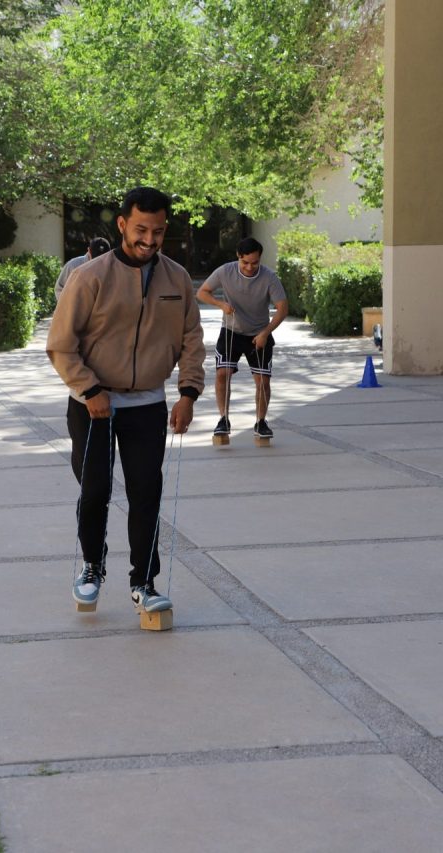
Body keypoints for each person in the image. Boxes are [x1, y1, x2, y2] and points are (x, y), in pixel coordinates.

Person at [47, 187, 205, 617]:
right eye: (140, 229)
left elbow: (191, 339)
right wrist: (90, 389)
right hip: (92, 406)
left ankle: (144, 583)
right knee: (95, 489)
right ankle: (92, 566)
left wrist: (188, 393)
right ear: (122, 224)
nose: (149, 240)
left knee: (146, 492)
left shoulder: (176, 279)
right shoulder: (89, 277)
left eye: (158, 231)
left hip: (147, 404)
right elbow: (60, 344)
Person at [195, 237, 288, 441]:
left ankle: (261, 422)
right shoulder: (225, 271)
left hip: (259, 333)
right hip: (231, 331)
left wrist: (265, 333)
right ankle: (223, 419)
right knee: (223, 374)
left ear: (260, 259)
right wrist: (221, 304)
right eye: (245, 262)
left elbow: (282, 309)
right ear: (238, 256)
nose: (249, 267)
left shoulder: (269, 277)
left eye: (255, 263)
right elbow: (202, 293)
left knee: (263, 380)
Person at [54, 236, 112, 301]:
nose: (98, 262)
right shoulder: (73, 265)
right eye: (95, 258)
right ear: (89, 250)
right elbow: (59, 289)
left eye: (102, 258)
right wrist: (71, 304)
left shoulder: (113, 268)